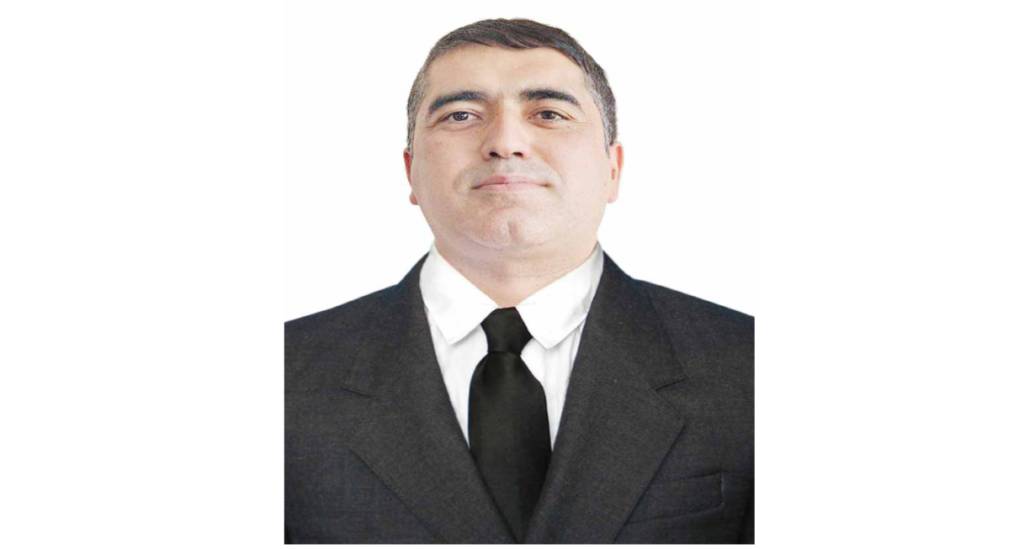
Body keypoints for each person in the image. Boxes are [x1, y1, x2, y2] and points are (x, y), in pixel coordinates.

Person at [286, 18, 753, 544]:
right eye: (461, 115)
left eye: (549, 113)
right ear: (410, 170)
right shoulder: (283, 376)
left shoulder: (748, 366)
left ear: (613, 168)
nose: (506, 142)